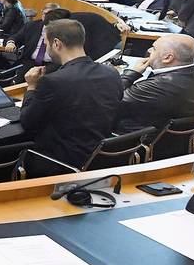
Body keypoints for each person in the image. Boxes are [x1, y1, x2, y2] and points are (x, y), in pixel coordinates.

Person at [19, 19, 123, 167]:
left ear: (57, 43)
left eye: (46, 44)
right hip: (100, 157)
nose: (46, 48)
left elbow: (28, 122)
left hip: (60, 161)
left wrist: (31, 87)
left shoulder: (53, 81)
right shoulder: (111, 73)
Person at [116, 35, 194, 135]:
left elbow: (109, 101)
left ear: (167, 58)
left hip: (136, 141)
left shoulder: (155, 86)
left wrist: (131, 73)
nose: (149, 50)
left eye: (154, 49)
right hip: (172, 139)